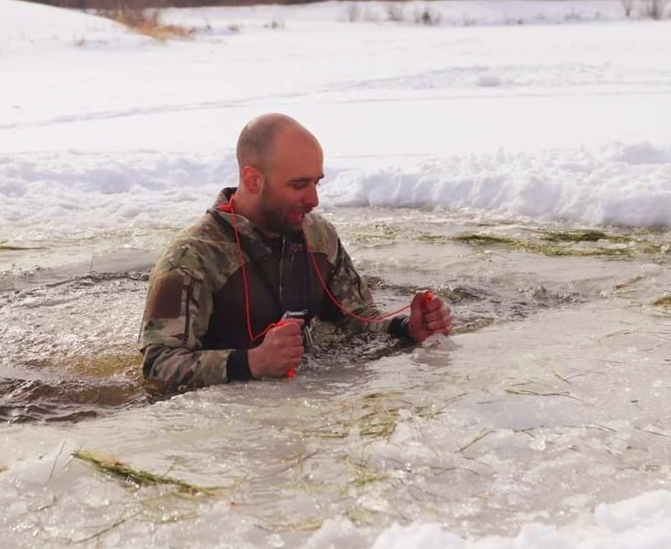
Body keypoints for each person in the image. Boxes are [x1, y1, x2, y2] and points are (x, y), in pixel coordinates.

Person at [139, 113, 453, 389]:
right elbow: (157, 367)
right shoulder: (192, 258)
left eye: (317, 183)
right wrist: (251, 363)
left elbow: (358, 323)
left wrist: (407, 328)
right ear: (253, 179)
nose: (314, 199)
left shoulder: (320, 237)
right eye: (299, 185)